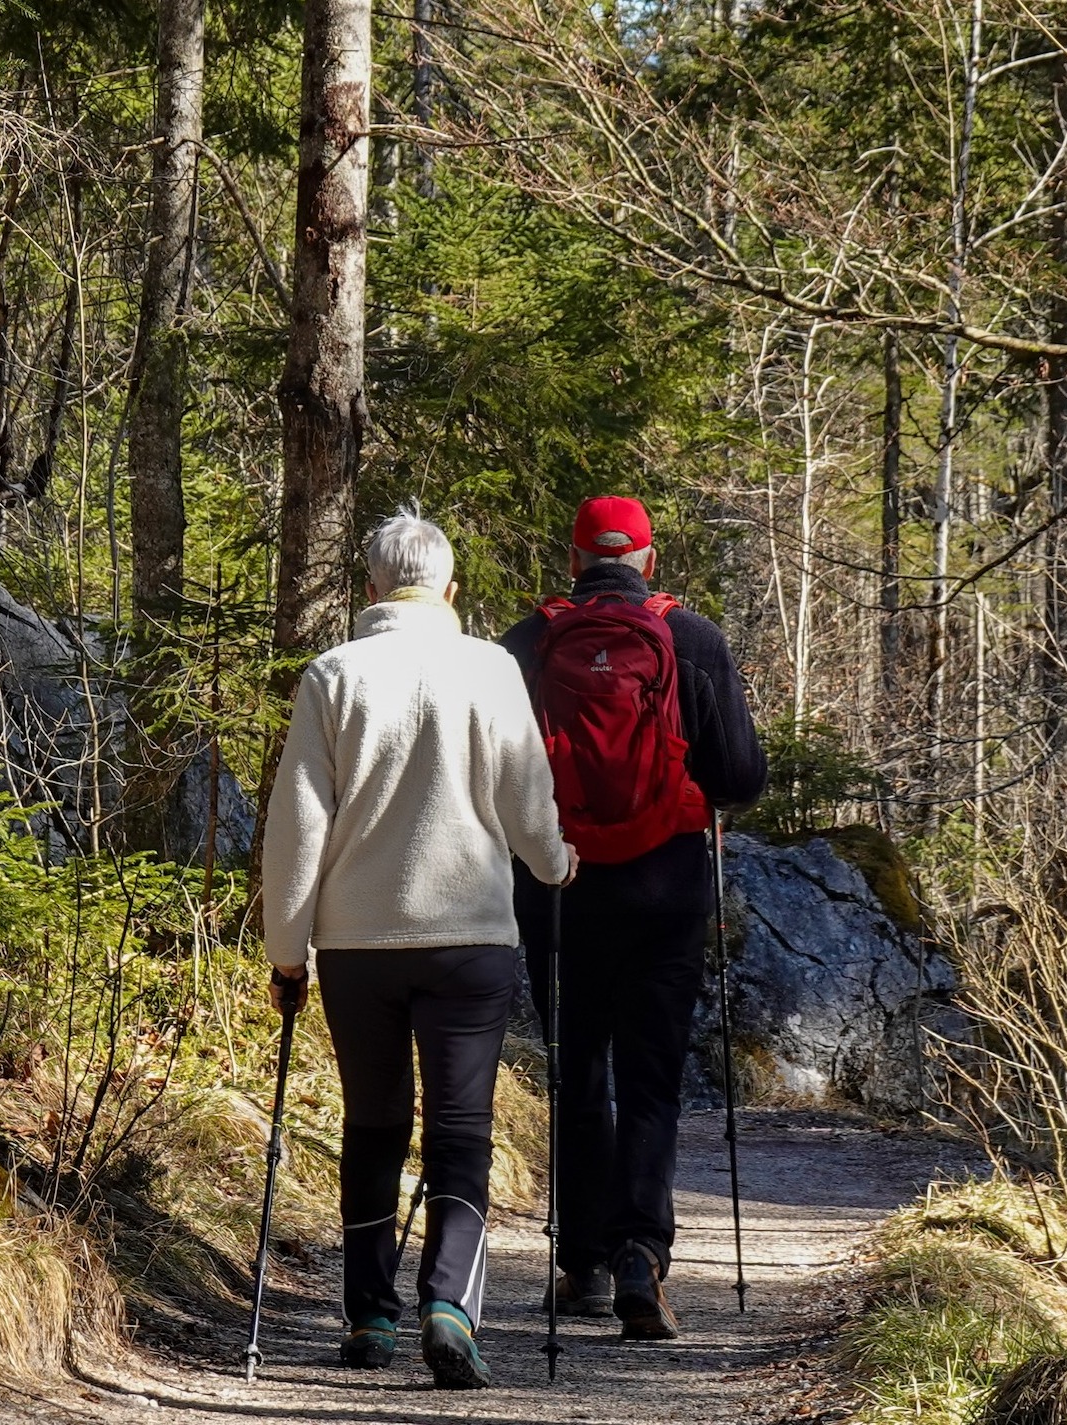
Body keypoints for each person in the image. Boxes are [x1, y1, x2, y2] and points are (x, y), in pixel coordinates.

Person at [262, 509, 578, 1389]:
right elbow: (528, 795)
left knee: (372, 1127)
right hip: (471, 938)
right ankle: (450, 1304)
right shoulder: (492, 668)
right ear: (450, 587)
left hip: (358, 942)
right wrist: (555, 865)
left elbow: (298, 825)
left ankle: (369, 1316)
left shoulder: (334, 674)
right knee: (460, 1131)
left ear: (370, 587)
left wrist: (289, 950)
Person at [501, 494, 766, 1341]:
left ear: (574, 558)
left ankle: (579, 1264)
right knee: (651, 1077)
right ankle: (641, 1260)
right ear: (649, 561)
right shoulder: (693, 640)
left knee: (577, 1070)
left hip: (559, 885)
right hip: (666, 888)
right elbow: (740, 775)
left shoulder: (530, 641)